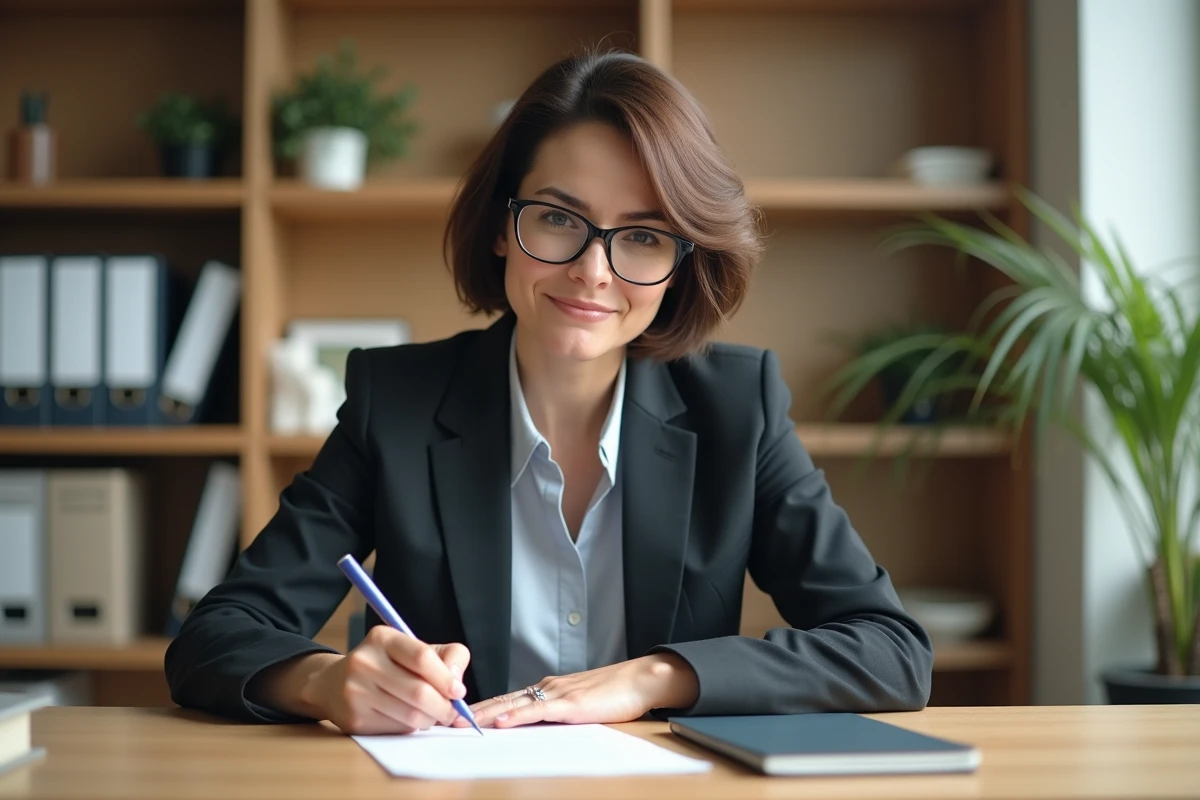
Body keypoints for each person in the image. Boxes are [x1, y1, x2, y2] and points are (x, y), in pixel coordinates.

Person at [165, 49, 933, 735]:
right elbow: (218, 633)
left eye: (642, 235)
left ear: (680, 262)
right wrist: (326, 681)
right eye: (560, 219)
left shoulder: (738, 407)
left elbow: (890, 650)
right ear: (502, 225)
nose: (594, 272)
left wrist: (651, 678)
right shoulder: (395, 403)